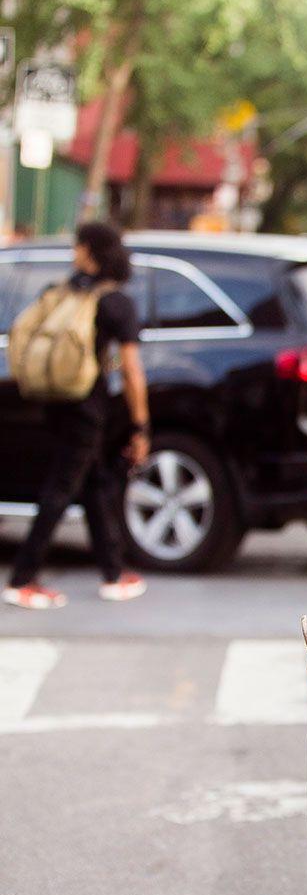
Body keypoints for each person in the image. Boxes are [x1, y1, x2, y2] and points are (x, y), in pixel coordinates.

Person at [3, 221, 151, 609]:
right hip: (89, 407)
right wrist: (140, 425)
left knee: (94, 482)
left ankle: (113, 573)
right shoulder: (116, 302)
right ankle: (22, 578)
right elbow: (132, 371)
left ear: (89, 251)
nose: (73, 252)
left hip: (56, 403)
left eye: (78, 246)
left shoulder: (57, 293)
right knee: (61, 488)